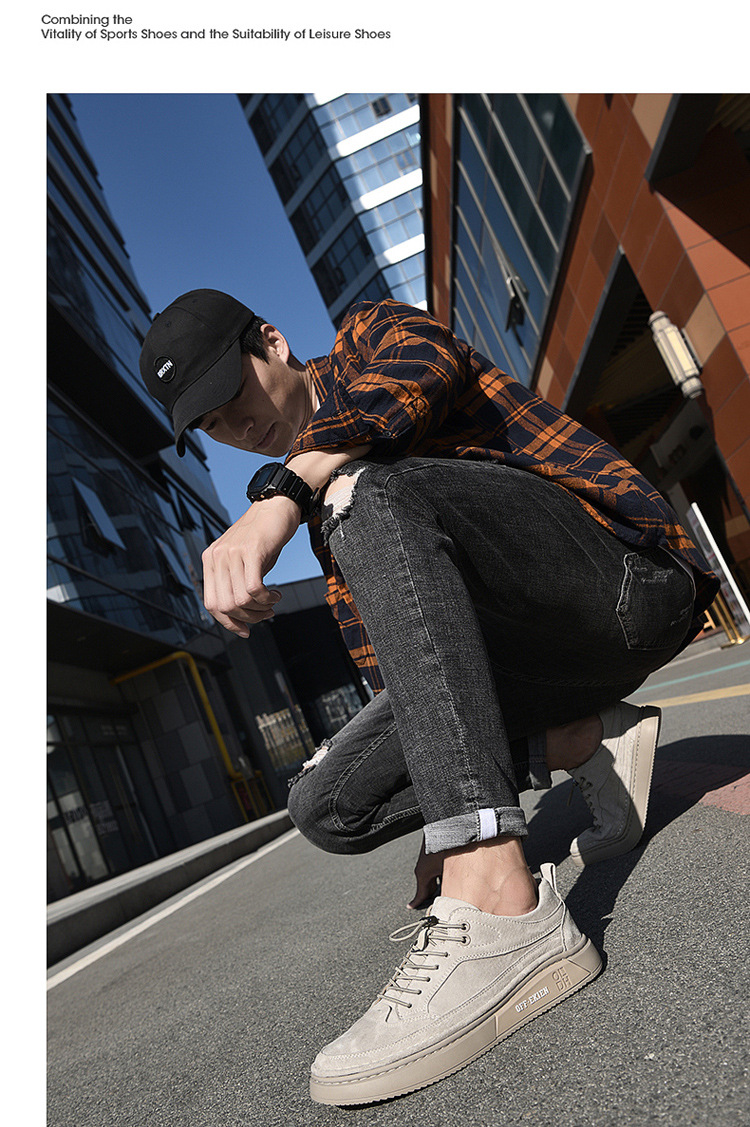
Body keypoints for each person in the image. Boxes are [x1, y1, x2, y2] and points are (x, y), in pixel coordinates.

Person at [140, 289, 718, 1105]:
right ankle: (583, 738)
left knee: (363, 488)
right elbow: (412, 667)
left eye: (232, 393)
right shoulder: (328, 512)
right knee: (324, 803)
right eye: (211, 425)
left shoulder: (369, 338)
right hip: (543, 672)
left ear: (272, 342)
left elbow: (423, 366)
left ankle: (503, 903)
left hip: (626, 587)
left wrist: (293, 486)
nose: (236, 426)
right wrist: (451, 798)